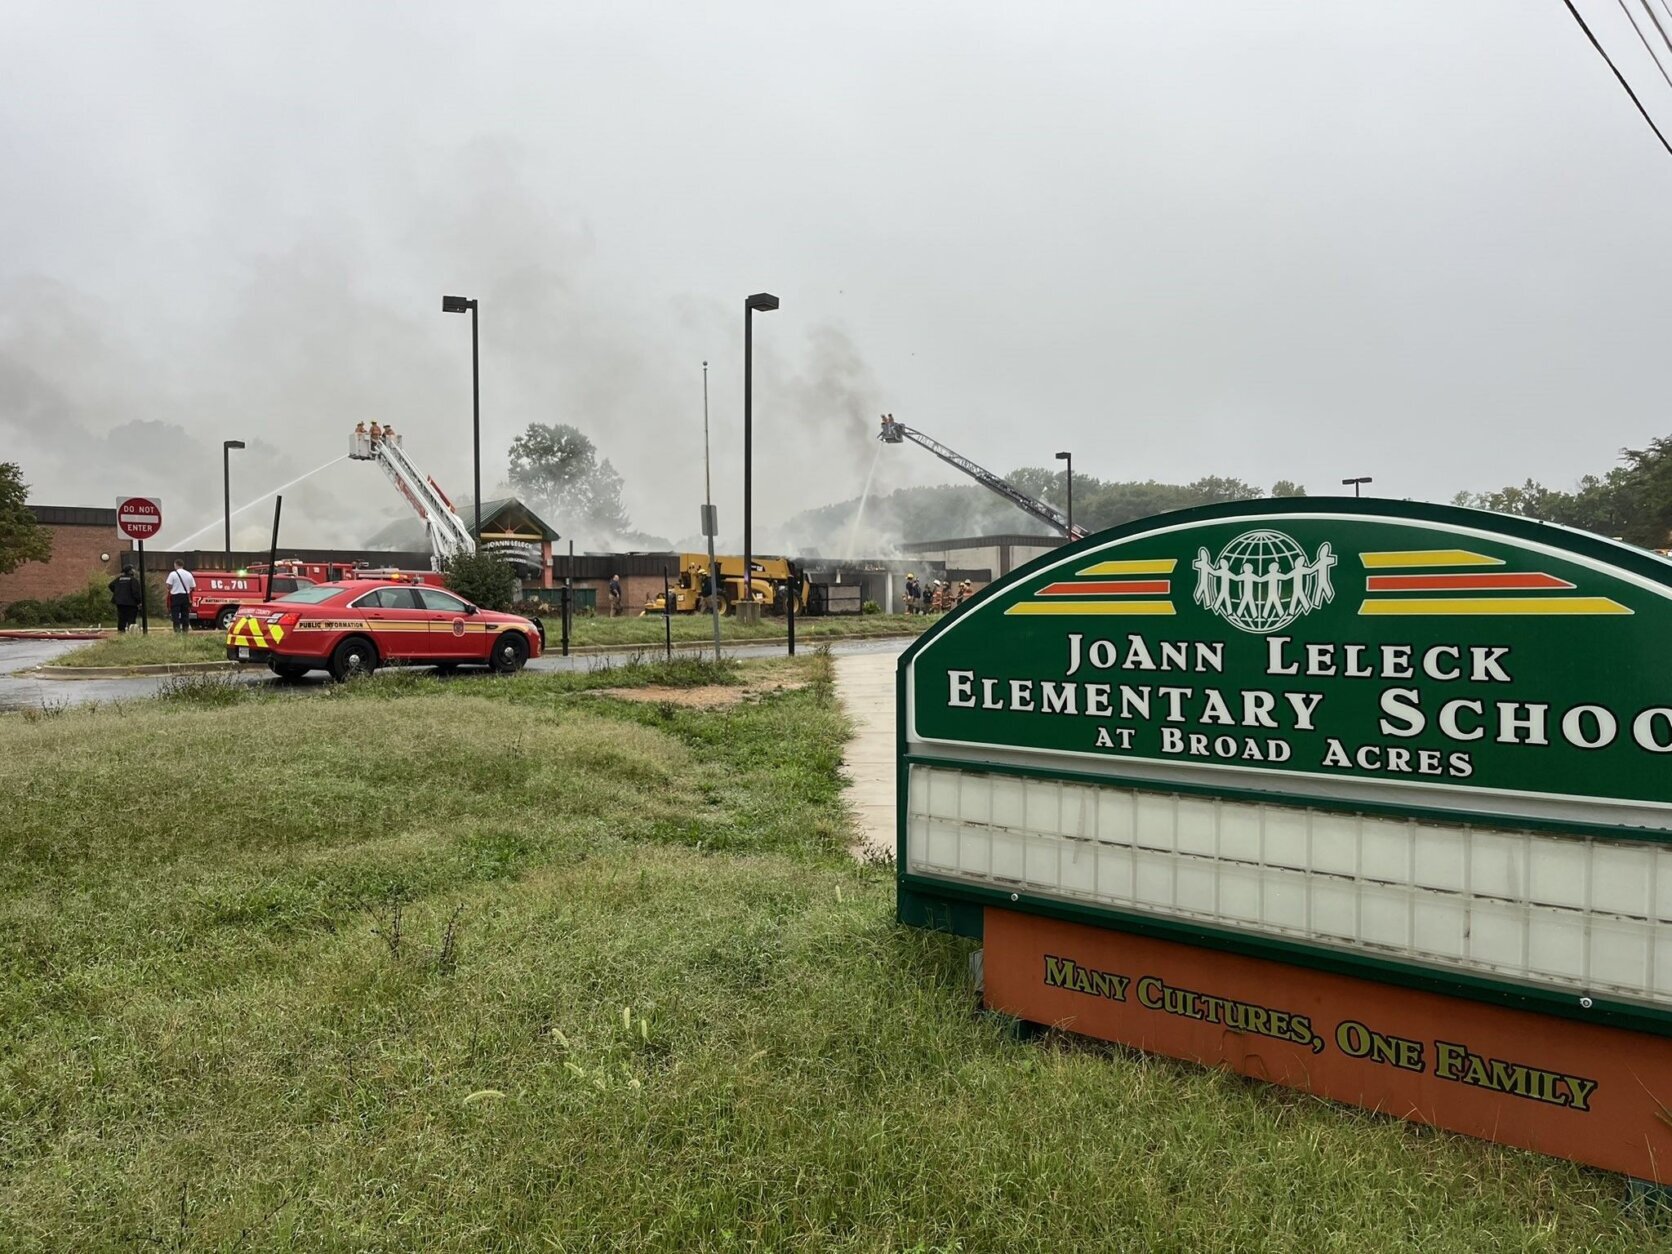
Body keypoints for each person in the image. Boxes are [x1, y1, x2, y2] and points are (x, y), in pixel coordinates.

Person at [108, 564, 142, 633]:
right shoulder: (133, 580)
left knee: (121, 619)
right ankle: (131, 633)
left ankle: (121, 633)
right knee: (131, 619)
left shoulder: (119, 579)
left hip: (120, 602)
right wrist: (139, 602)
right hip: (131, 603)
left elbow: (110, 585)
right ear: (130, 571)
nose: (134, 571)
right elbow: (135, 592)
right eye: (132, 569)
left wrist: (117, 592)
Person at [165, 560, 196, 633]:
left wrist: (173, 588)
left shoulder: (173, 574)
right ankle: (185, 631)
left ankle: (177, 631)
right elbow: (192, 586)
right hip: (185, 596)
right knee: (185, 614)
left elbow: (168, 585)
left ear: (176, 565)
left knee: (175, 615)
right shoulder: (189, 574)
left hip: (175, 596)